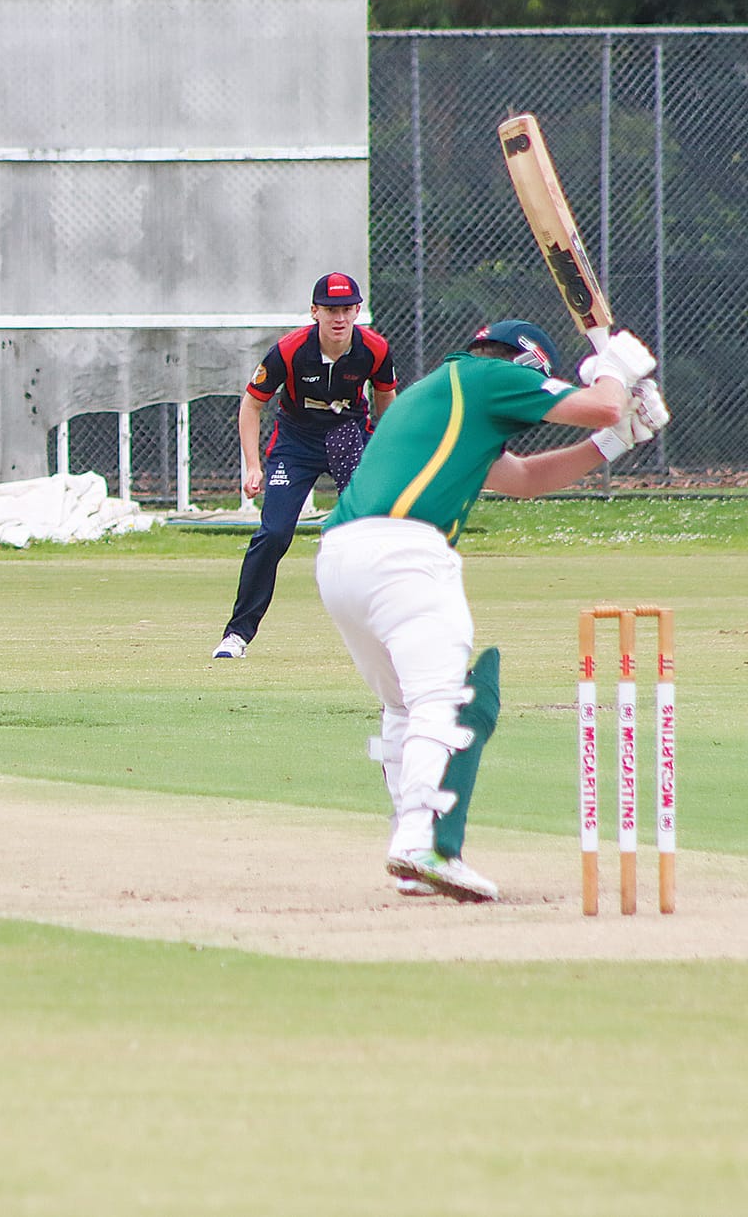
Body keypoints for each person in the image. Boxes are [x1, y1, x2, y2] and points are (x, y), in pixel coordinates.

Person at [314, 319, 669, 902]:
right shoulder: (492, 377)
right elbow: (601, 405)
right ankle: (420, 843)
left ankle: (410, 847)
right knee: (441, 699)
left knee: (406, 704)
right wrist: (616, 367)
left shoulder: (446, 394)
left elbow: (525, 479)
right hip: (406, 553)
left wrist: (617, 441)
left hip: (341, 558)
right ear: (527, 363)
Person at [212, 271, 397, 658]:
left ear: (358, 310)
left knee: (372, 530)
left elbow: (387, 404)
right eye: (330, 309)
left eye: (346, 309)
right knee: (274, 534)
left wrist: (388, 456)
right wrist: (251, 466)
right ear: (314, 311)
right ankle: (237, 635)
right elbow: (251, 404)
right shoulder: (289, 350)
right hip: (295, 443)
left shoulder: (375, 349)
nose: (339, 318)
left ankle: (388, 628)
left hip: (348, 435)